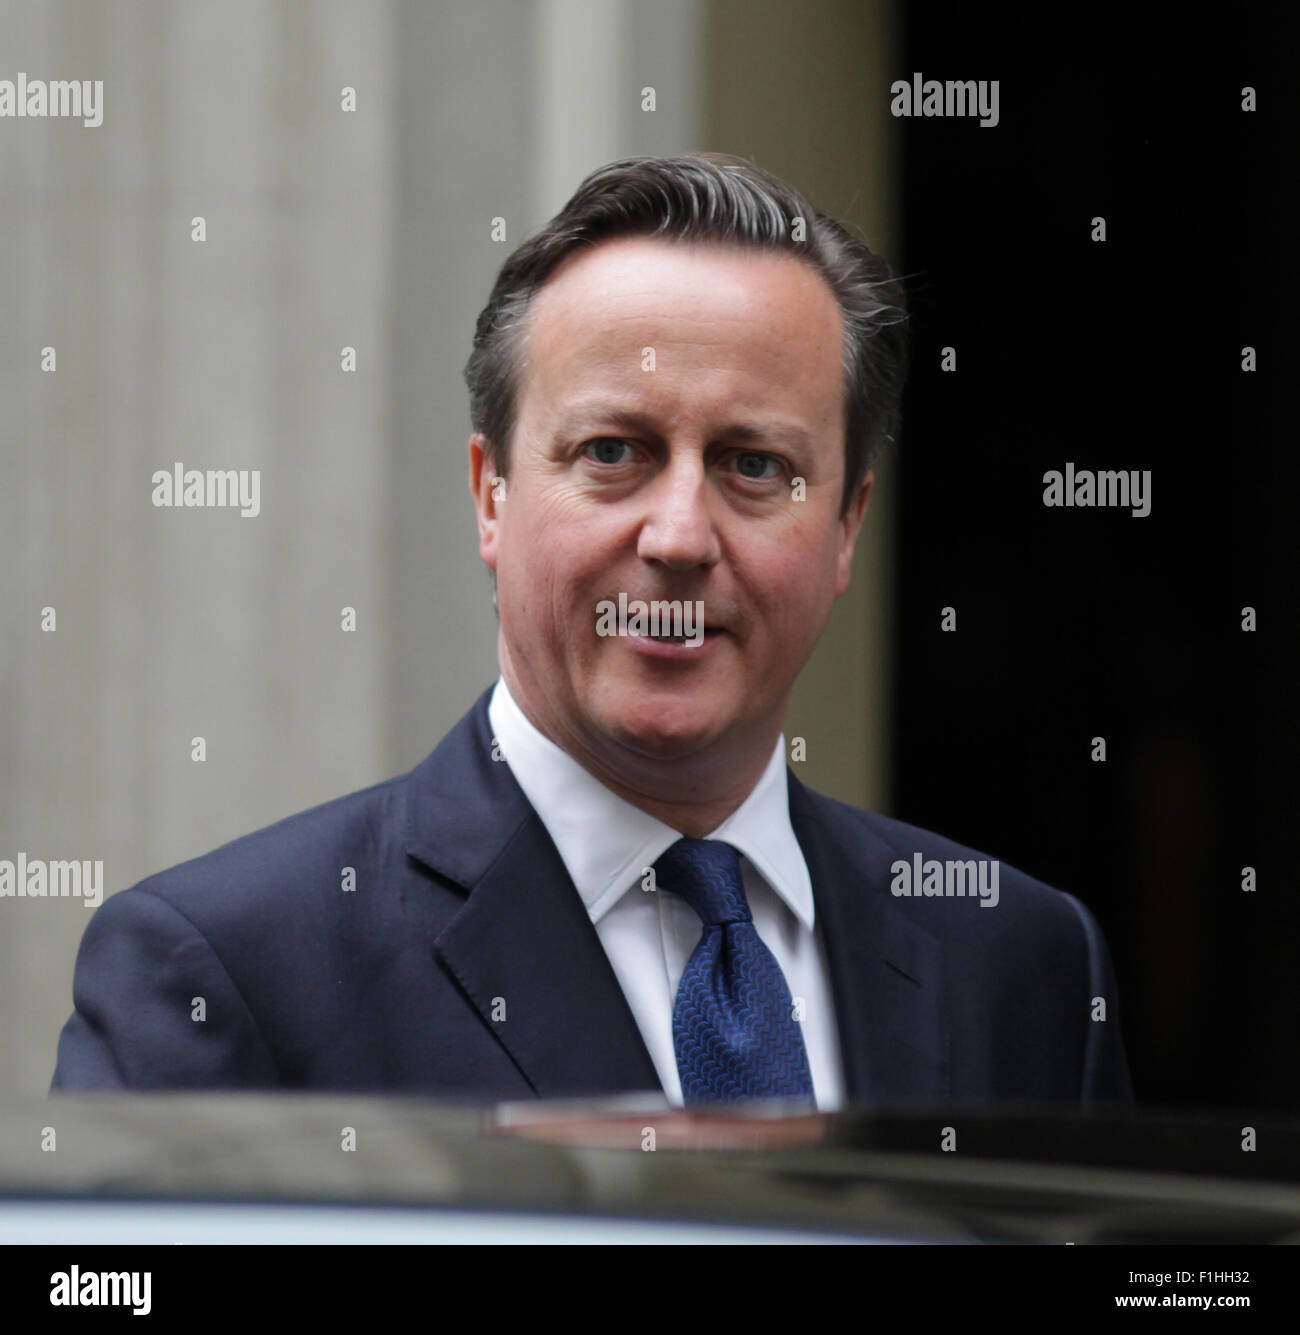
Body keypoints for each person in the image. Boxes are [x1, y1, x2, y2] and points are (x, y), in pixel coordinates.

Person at [51, 154, 1133, 1108]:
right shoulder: (224, 972)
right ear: (491, 494)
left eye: (755, 466)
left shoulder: (1019, 962)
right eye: (613, 452)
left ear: (847, 525)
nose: (677, 535)